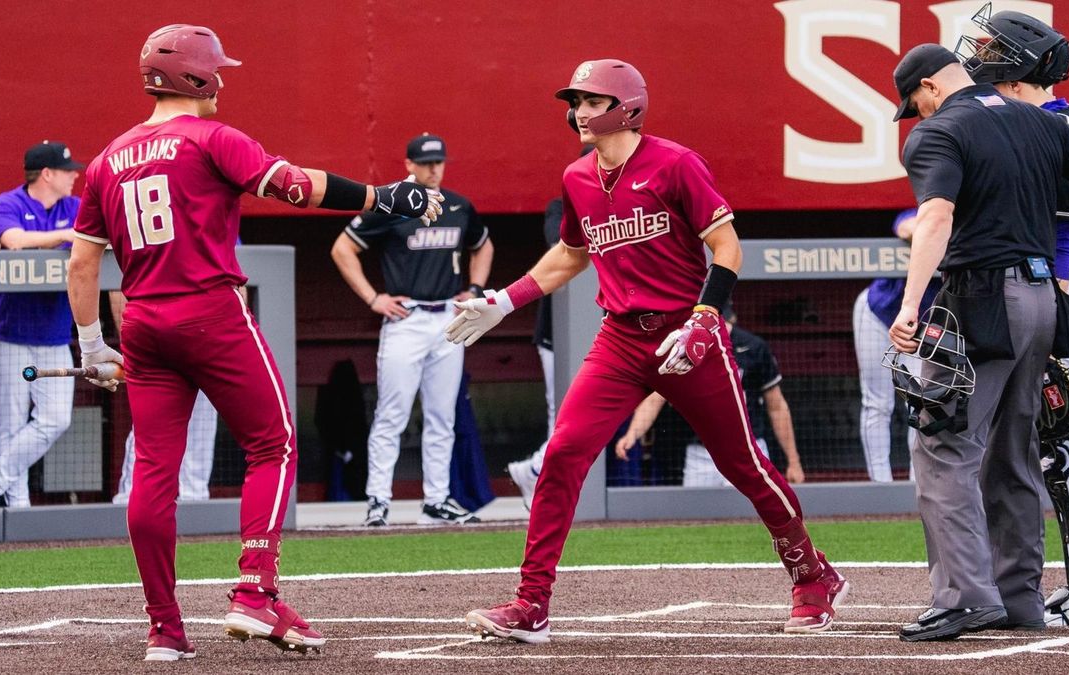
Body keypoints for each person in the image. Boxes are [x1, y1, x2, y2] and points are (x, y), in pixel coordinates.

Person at [64, 24, 441, 661]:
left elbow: (81, 264)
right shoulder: (214, 137)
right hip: (211, 311)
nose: (225, 80)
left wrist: (92, 345)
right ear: (198, 78)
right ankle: (254, 590)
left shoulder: (106, 160)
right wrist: (384, 197)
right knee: (274, 443)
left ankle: (164, 629)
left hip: (144, 323)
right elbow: (299, 187)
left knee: (155, 472)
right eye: (218, 70)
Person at [448, 59, 848, 643]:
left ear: (627, 108)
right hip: (619, 337)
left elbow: (728, 247)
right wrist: (505, 301)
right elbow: (571, 255)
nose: (580, 112)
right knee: (562, 454)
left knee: (744, 465)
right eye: (577, 102)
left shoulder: (676, 163)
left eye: (593, 101)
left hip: (687, 334)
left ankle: (811, 575)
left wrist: (706, 321)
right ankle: (532, 604)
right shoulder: (578, 176)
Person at [887, 42, 1069, 641]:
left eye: (913, 103)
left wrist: (911, 303)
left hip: (984, 298)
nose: (915, 114)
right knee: (1012, 451)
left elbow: (936, 216)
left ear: (930, 88)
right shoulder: (1040, 122)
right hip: (1045, 298)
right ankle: (1020, 597)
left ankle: (966, 596)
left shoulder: (939, 131)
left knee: (941, 445)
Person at [959, 5, 1069, 629]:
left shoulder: (1054, 125)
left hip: (1057, 290)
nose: (974, 51)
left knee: (1063, 451)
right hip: (1037, 295)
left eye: (987, 44)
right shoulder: (1013, 120)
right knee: (1039, 451)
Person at [331, 133, 493, 527]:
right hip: (407, 317)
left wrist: (473, 289)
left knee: (442, 415)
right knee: (393, 412)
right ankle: (378, 501)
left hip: (447, 319)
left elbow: (483, 245)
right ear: (409, 165)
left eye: (438, 161)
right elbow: (342, 248)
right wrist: (373, 299)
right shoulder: (393, 204)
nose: (434, 168)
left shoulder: (458, 204)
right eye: (425, 162)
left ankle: (437, 499)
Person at [0, 141, 82, 508]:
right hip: (8, 334)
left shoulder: (76, 207)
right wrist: (64, 236)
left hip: (55, 333)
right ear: (46, 174)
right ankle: (17, 507)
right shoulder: (6, 204)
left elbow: (101, 240)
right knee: (11, 423)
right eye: (67, 170)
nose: (75, 175)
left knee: (56, 419)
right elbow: (12, 240)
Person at [614, 304, 805, 486]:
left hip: (748, 447)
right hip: (701, 452)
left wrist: (794, 461)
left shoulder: (753, 347)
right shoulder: (687, 344)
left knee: (750, 513)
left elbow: (777, 406)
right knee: (696, 515)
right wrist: (633, 433)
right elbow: (656, 397)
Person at [507, 145, 591, 511]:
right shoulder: (561, 207)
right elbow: (564, 250)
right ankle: (543, 480)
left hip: (609, 328)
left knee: (587, 418)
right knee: (565, 417)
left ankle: (536, 472)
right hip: (560, 334)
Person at [853, 208, 941, 482]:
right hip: (878, 311)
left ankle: (918, 483)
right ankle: (879, 483)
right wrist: (943, 232)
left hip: (923, 323)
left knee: (921, 403)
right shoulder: (924, 211)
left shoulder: (972, 223)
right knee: (877, 402)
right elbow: (908, 227)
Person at [109, 291, 218, 504]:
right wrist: (131, 348)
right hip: (157, 345)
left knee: (201, 428)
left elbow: (236, 288)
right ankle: (130, 501)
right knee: (149, 428)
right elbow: (117, 289)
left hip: (205, 343)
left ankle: (196, 504)